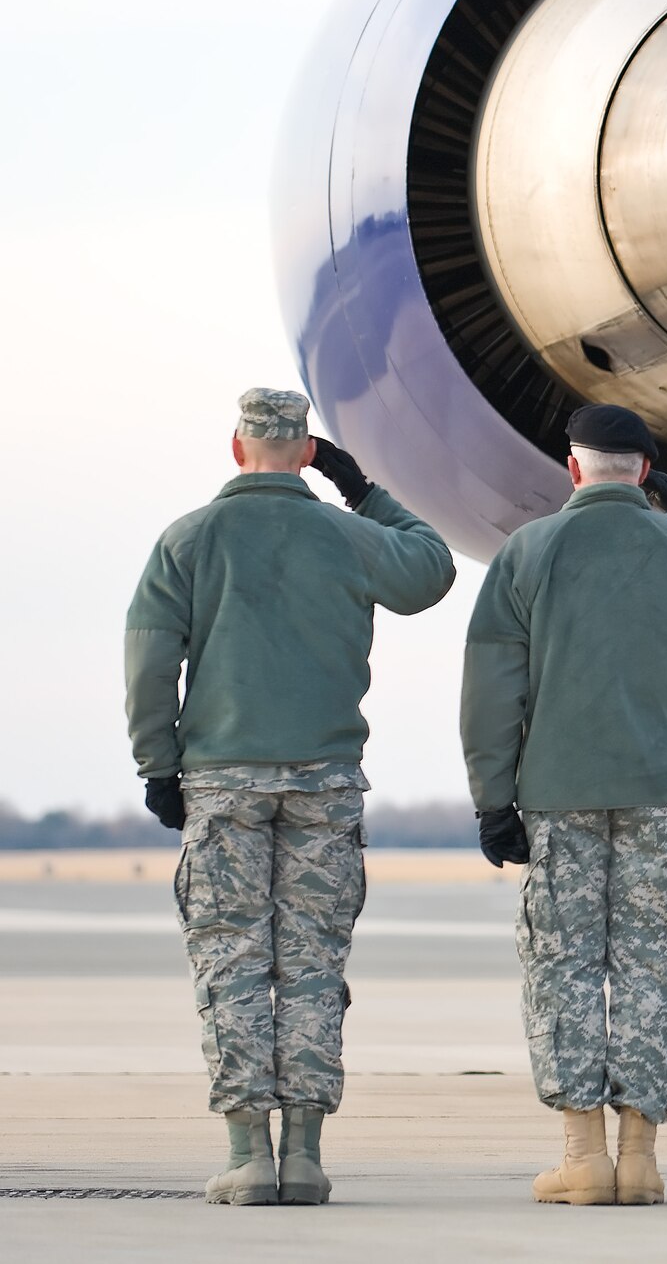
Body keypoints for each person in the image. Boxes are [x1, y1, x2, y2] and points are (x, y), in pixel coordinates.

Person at [124, 388, 455, 1206]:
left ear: (237, 448)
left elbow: (147, 661)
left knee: (233, 960)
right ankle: (304, 1155)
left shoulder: (189, 539)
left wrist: (158, 765)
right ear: (308, 451)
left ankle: (248, 1154)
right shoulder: (349, 534)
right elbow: (431, 569)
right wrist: (363, 487)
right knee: (312, 966)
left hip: (224, 779)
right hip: (325, 780)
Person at [460, 404, 667, 1204]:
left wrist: (491, 799)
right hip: (658, 795)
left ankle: (583, 1157)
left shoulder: (527, 552)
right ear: (645, 471)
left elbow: (490, 688)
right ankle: (640, 1158)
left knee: (564, 967)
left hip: (556, 793)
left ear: (572, 469)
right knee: (651, 965)